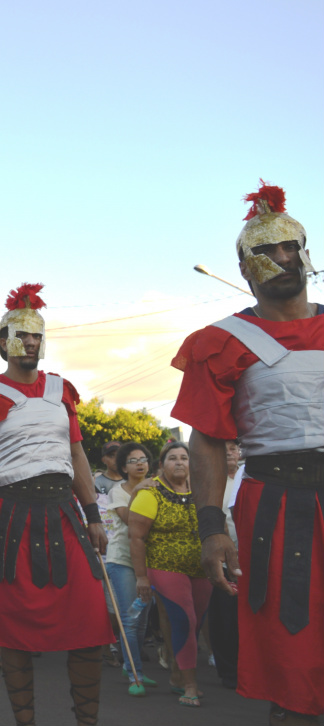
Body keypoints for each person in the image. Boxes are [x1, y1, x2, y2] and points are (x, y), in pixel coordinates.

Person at [171, 181, 324, 725]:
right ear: (245, 267)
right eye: (266, 250)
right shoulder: (221, 342)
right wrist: (210, 526)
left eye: (291, 246)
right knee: (294, 654)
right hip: (277, 506)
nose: (283, 258)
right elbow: (207, 440)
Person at [0, 284, 113, 726]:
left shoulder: (62, 390)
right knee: (13, 629)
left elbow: (77, 455)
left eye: (37, 336)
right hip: (9, 516)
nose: (30, 343)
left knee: (90, 620)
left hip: (64, 513)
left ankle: (87, 721)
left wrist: (93, 513)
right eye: (20, 336)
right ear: (3, 341)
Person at [127, 441, 209, 707]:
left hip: (200, 567)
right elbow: (136, 537)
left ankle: (177, 672)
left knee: (194, 623)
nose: (179, 462)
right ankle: (190, 684)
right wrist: (142, 577)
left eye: (184, 458)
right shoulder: (150, 492)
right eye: (172, 458)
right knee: (184, 619)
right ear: (161, 465)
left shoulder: (202, 490)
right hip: (164, 565)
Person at [104, 442, 158, 694]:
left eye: (144, 459)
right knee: (130, 618)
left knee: (143, 618)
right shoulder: (118, 491)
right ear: (123, 467)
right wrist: (138, 491)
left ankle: (130, 665)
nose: (140, 463)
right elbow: (130, 520)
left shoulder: (159, 486)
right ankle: (135, 674)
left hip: (150, 561)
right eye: (133, 460)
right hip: (122, 560)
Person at [207, 440, 241, 690]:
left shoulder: (249, 475)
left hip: (257, 557)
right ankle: (229, 671)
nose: (229, 451)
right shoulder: (211, 483)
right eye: (224, 447)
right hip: (224, 561)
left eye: (233, 447)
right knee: (226, 617)